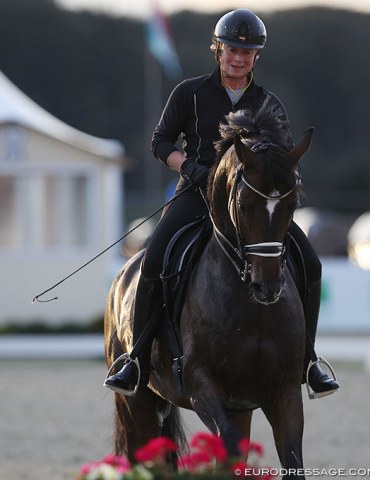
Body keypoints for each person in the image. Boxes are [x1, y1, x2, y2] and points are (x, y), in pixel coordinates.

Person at [104, 8, 339, 397]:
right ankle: (137, 358)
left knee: (310, 265)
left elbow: (279, 158)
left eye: (247, 52)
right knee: (156, 257)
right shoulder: (190, 93)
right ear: (218, 49)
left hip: (252, 205)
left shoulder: (269, 102)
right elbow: (160, 142)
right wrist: (190, 167)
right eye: (232, 49)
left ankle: (308, 361)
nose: (238, 57)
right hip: (196, 196)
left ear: (255, 57)